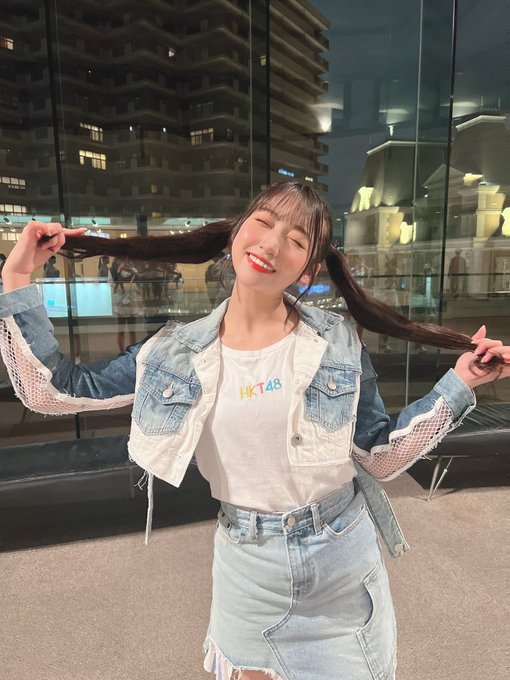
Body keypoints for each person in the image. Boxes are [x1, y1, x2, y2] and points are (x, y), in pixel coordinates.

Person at [0, 182, 509, 680]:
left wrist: (460, 383)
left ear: (308, 270)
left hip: (339, 562)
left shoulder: (334, 341)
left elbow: (380, 458)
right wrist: (18, 275)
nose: (270, 244)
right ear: (236, 232)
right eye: (263, 222)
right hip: (246, 565)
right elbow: (52, 392)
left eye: (295, 240)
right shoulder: (176, 352)